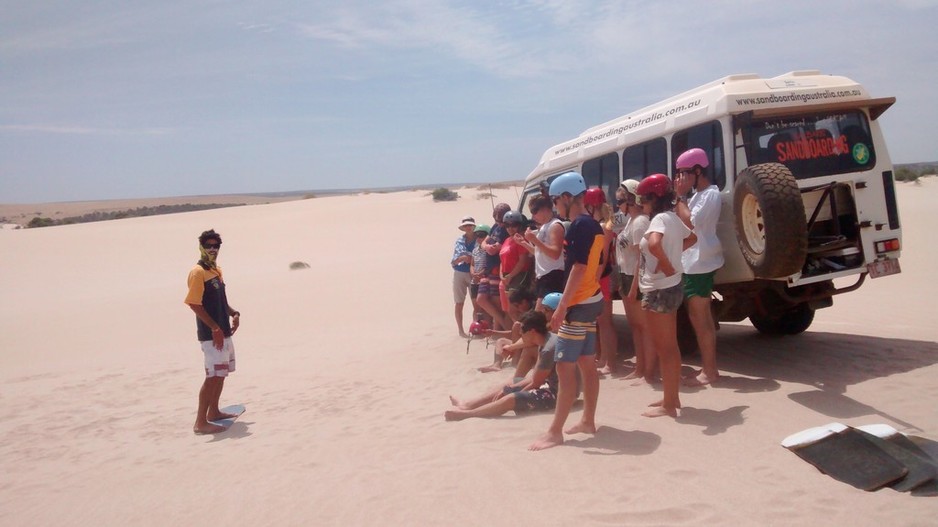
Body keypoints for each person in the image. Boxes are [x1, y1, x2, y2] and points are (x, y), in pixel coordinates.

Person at [530, 172, 604, 451]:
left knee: (565, 369)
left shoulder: (577, 227)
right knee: (587, 363)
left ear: (565, 197)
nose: (555, 208)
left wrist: (562, 307)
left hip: (578, 304)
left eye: (555, 202)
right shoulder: (592, 224)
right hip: (591, 299)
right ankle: (587, 420)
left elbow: (578, 268)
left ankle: (555, 431)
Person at [634, 175, 697, 418]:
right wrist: (668, 261)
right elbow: (692, 237)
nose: (641, 204)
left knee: (666, 347)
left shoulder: (659, 219)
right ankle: (672, 397)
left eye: (643, 199)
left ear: (652, 198)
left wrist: (665, 263)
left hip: (660, 288)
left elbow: (653, 244)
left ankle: (669, 405)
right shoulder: (671, 218)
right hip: (668, 285)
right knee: (667, 346)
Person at [446, 309, 561, 421]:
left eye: (522, 330)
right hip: (547, 384)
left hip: (558, 395)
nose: (520, 333)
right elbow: (534, 379)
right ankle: (468, 405)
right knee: (511, 384)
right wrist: (509, 389)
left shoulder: (548, 350)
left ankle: (468, 414)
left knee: (511, 398)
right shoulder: (545, 338)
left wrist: (510, 393)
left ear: (532, 331)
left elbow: (536, 383)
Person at [673, 148, 724, 386]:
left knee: (701, 319)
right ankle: (707, 368)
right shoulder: (697, 196)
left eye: (683, 173)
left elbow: (690, 221)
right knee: (696, 318)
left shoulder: (710, 195)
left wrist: (680, 197)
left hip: (701, 262)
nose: (680, 179)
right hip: (692, 262)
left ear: (696, 171)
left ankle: (710, 371)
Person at [184, 229, 242, 435]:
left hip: (223, 331)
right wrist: (214, 328)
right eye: (208, 245)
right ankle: (200, 422)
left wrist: (233, 313)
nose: (212, 249)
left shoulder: (215, 271)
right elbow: (194, 303)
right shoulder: (198, 272)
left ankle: (214, 412)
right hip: (211, 336)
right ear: (201, 247)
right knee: (212, 376)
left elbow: (221, 301)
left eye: (216, 246)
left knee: (221, 374)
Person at [615, 180, 655, 384]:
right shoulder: (631, 221)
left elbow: (642, 256)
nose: (618, 204)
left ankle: (648, 371)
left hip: (634, 277)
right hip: (625, 274)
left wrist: (634, 286)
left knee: (644, 326)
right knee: (635, 326)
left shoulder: (640, 222)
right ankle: (640, 368)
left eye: (621, 199)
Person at [584, 187, 619, 375]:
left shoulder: (605, 226)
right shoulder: (602, 224)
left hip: (602, 276)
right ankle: (604, 358)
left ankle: (610, 362)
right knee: (600, 321)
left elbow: (603, 256)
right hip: (600, 275)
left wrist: (595, 278)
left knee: (605, 322)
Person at [519, 194, 565, 309]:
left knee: (540, 317)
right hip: (543, 277)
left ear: (545, 208)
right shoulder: (544, 227)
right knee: (542, 318)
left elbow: (555, 253)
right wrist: (523, 243)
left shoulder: (555, 226)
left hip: (553, 276)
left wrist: (534, 240)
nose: (533, 216)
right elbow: (540, 253)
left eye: (534, 211)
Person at [477, 203, 512, 330]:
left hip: (498, 268)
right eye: (496, 219)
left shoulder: (507, 229)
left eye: (500, 220)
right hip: (488, 268)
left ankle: (501, 329)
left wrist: (490, 248)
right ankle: (502, 325)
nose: (498, 222)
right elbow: (484, 243)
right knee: (481, 299)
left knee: (498, 303)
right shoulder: (495, 227)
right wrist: (487, 246)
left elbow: (498, 249)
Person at [498, 210, 533, 324]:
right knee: (511, 310)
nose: (510, 228)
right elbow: (502, 261)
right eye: (507, 225)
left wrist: (510, 276)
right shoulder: (507, 240)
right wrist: (502, 276)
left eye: (513, 225)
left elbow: (523, 261)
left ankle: (525, 332)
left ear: (519, 225)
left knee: (517, 308)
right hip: (506, 277)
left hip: (518, 276)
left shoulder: (521, 239)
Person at [452, 216, 478, 338]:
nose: (468, 227)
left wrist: (464, 258)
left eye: (470, 225)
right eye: (466, 226)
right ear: (463, 228)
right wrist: (464, 258)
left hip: (473, 273)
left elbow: (471, 257)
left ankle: (475, 328)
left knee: (476, 302)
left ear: (473, 226)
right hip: (459, 273)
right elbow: (458, 258)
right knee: (459, 303)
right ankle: (461, 331)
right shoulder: (459, 241)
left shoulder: (479, 240)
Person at [468, 224, 491, 321]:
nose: (478, 238)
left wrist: (481, 273)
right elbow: (472, 264)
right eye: (476, 235)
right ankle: (476, 328)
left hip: (485, 280)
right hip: (475, 281)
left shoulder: (489, 249)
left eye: (481, 235)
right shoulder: (475, 250)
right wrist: (473, 273)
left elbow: (490, 265)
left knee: (485, 307)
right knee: (476, 308)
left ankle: (487, 329)